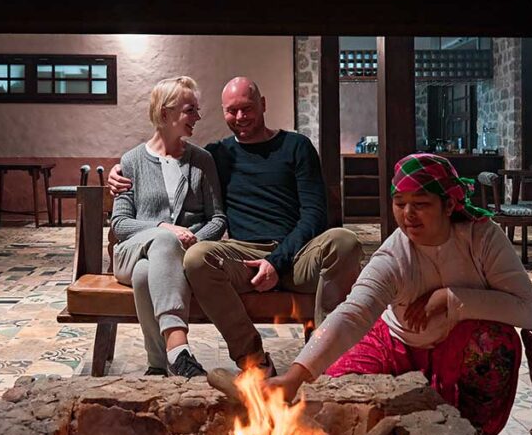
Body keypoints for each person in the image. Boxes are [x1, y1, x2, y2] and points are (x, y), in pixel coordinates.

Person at [266, 153, 532, 435]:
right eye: (400, 204)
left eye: (420, 204)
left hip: (460, 344)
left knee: (496, 341)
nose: (408, 214)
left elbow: (526, 311)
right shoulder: (394, 255)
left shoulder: (482, 238)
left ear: (448, 205)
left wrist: (450, 299)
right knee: (336, 401)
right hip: (396, 342)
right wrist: (294, 377)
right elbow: (352, 313)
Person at [109, 77, 362, 376]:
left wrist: (276, 263)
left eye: (247, 108)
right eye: (232, 111)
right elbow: (168, 163)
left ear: (263, 105)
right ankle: (253, 359)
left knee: (346, 241)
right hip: (243, 257)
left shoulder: (296, 146)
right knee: (196, 259)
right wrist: (118, 172)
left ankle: (326, 356)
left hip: (297, 254)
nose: (240, 117)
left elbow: (314, 215)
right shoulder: (217, 155)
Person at [110, 76, 226, 378]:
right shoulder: (131, 161)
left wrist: (189, 241)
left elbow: (218, 219)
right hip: (130, 252)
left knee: (145, 274)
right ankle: (179, 348)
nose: (197, 118)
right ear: (165, 113)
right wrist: (166, 229)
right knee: (161, 242)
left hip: (173, 260)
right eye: (190, 110)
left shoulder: (202, 161)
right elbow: (120, 224)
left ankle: (158, 366)